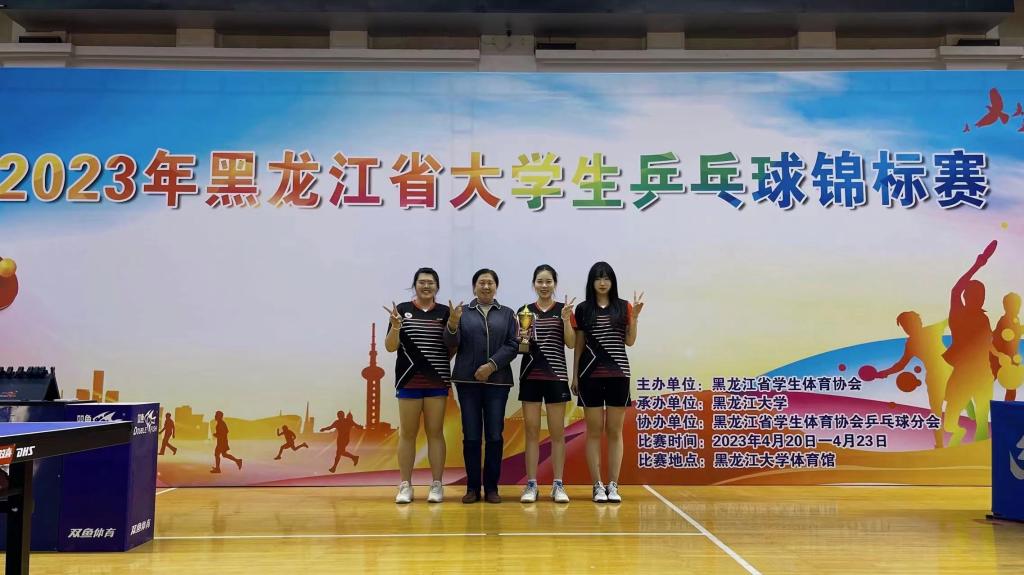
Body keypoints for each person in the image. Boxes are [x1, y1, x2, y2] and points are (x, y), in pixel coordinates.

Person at [444, 268, 519, 504]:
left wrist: (491, 365)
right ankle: (472, 488)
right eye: (481, 283)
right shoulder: (462, 313)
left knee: (495, 436)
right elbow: (450, 343)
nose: (486, 287)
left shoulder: (507, 314)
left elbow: (514, 344)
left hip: (498, 382)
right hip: (468, 383)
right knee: (471, 436)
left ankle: (492, 488)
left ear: (496, 287)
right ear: (474, 287)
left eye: (490, 283)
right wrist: (452, 324)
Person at [571, 262, 644, 503]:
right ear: (591, 282)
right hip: (589, 376)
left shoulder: (624, 307)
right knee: (594, 432)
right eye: (598, 278)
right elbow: (578, 345)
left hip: (618, 375)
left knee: (614, 431)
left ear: (612, 282)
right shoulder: (583, 309)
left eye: (607, 278)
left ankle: (613, 484)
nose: (602, 283)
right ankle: (597, 485)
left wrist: (634, 318)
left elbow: (630, 341)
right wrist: (575, 375)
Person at [384, 267, 451, 504]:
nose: (426, 286)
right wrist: (395, 326)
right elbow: (390, 347)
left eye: (431, 283)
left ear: (437, 286)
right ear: (415, 285)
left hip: (437, 381)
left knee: (435, 433)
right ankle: (405, 485)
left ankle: (437, 484)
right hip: (408, 381)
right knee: (408, 434)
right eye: (422, 282)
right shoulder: (402, 310)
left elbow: (452, 346)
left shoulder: (445, 312)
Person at [518, 264, 575, 504]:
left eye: (548, 281)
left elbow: (571, 343)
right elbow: (521, 349)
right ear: (534, 284)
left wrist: (566, 321)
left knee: (557, 433)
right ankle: (531, 484)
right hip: (530, 377)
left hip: (556, 377)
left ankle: (558, 484)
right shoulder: (524, 312)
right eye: (540, 281)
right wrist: (523, 338)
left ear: (554, 284)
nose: (544, 285)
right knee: (531, 432)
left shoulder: (563, 310)